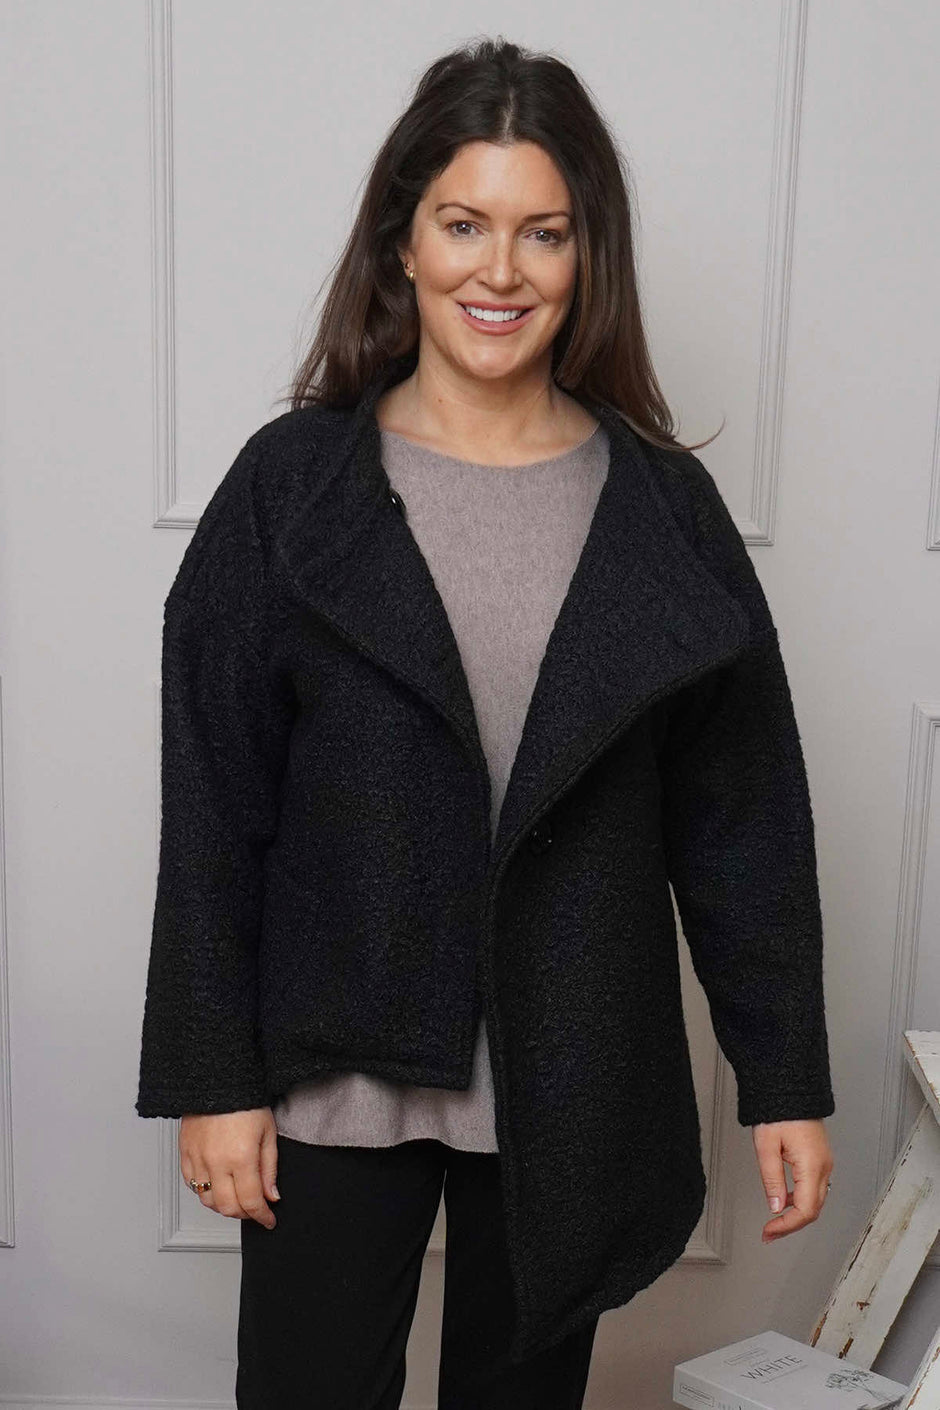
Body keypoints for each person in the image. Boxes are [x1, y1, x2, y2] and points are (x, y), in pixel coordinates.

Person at [136, 36, 836, 1410]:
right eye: (463, 224)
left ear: (588, 256)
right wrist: (213, 1076)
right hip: (335, 1062)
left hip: (569, 1073)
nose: (499, 271)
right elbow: (215, 802)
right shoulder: (291, 488)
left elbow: (743, 824)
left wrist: (784, 1079)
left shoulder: (660, 511)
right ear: (403, 241)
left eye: (543, 233)